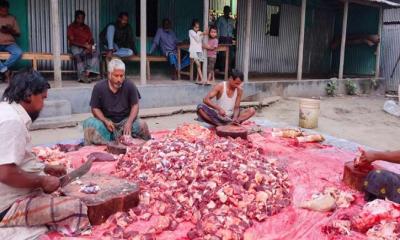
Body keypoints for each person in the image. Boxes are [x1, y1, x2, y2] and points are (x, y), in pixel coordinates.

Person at [0, 70, 90, 238]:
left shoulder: (7, 111)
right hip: (7, 204)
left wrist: (45, 167)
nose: (43, 105)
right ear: (28, 96)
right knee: (75, 207)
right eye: (42, 98)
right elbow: (5, 172)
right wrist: (41, 180)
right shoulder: (12, 122)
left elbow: (12, 160)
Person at [83, 59, 151, 145]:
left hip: (125, 122)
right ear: (109, 74)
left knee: (141, 125)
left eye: (121, 76)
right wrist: (105, 121)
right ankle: (108, 141)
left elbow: (135, 105)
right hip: (107, 123)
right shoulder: (99, 87)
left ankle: (137, 144)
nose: (119, 79)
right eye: (116, 76)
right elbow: (95, 108)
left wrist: (129, 122)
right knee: (90, 125)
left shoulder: (130, 85)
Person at [67, 10, 100, 83]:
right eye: (79, 18)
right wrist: (84, 45)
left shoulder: (86, 28)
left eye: (82, 18)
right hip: (75, 46)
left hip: (86, 46)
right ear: (75, 18)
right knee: (78, 55)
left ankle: (90, 72)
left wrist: (91, 46)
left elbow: (91, 39)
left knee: (96, 52)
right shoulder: (71, 27)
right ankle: (81, 76)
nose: (81, 20)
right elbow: (72, 41)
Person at [0, 0, 22, 83]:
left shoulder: (12, 18)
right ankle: (5, 71)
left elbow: (18, 34)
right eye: (2, 10)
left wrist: (10, 30)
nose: (4, 12)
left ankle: (3, 70)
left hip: (10, 43)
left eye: (6, 10)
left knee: (18, 52)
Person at [216, 5, 235, 71]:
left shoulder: (232, 20)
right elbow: (217, 28)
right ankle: (222, 68)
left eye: (228, 11)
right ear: (224, 11)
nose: (227, 12)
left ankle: (228, 68)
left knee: (231, 54)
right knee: (222, 54)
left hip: (229, 39)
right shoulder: (220, 19)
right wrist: (217, 38)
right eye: (226, 11)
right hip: (222, 38)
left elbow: (233, 29)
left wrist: (233, 38)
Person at [189, 19, 207, 84]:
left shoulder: (199, 32)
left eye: (198, 27)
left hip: (199, 50)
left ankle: (198, 79)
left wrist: (202, 33)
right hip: (193, 50)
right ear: (192, 27)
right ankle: (202, 79)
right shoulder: (190, 31)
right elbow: (197, 39)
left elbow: (200, 41)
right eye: (196, 27)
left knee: (199, 65)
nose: (197, 28)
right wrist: (202, 33)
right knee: (198, 64)